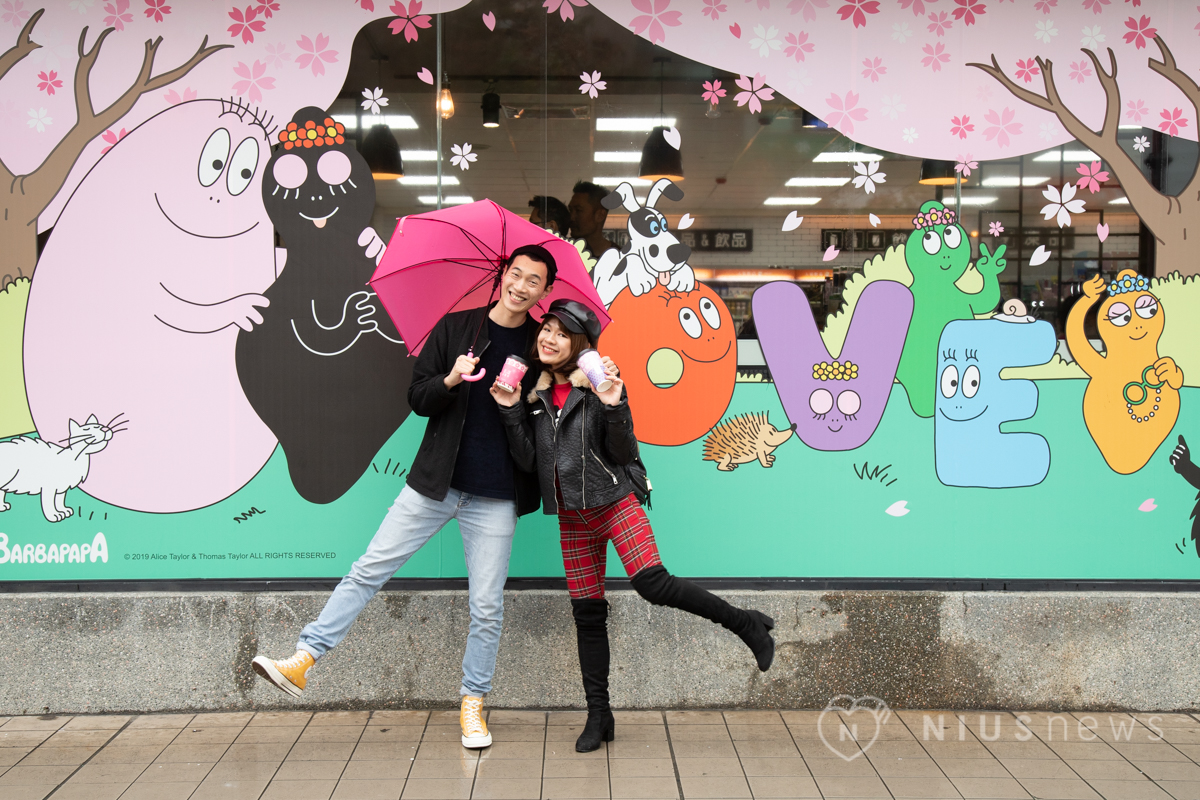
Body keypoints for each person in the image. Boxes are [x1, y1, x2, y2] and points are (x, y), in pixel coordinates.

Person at [251, 245, 556, 749]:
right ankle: (303, 659)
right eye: (516, 274)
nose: (520, 286)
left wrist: (513, 405)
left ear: (545, 291)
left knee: (486, 606)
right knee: (368, 569)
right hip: (435, 483)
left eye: (533, 281)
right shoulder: (458, 328)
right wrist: (451, 379)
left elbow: (538, 441)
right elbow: (418, 398)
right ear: (502, 274)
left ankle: (473, 704)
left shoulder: (540, 347)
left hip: (497, 495)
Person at [490, 299, 776, 753]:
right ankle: (599, 716)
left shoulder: (599, 386)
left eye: (562, 334)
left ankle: (747, 625)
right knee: (588, 615)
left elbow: (623, 453)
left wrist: (614, 404)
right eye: (546, 329)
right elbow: (528, 462)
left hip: (614, 503)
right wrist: (509, 409)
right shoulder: (535, 397)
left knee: (652, 584)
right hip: (572, 518)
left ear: (580, 345)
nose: (549, 338)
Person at [568, 181, 617, 260]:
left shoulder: (619, 258)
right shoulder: (562, 251)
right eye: (570, 210)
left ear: (600, 215)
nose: (571, 217)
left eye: (578, 210)